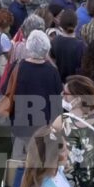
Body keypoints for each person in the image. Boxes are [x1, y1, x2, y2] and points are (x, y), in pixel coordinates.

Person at [9, 31, 64, 159]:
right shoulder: (52, 72)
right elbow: (57, 101)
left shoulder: (18, 68)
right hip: (44, 126)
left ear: (28, 46)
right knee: (42, 161)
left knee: (20, 162)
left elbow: (9, 94)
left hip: (22, 124)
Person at [50, 9, 86, 83]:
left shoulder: (55, 41)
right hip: (75, 83)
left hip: (59, 81)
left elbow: (53, 63)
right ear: (77, 24)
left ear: (61, 24)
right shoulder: (81, 44)